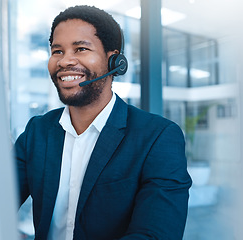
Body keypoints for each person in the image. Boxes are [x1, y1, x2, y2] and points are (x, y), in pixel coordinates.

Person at [15, 5, 192, 240]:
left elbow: (155, 235)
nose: (65, 61)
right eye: (57, 51)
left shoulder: (157, 137)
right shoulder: (36, 132)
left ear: (114, 61)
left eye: (80, 48)